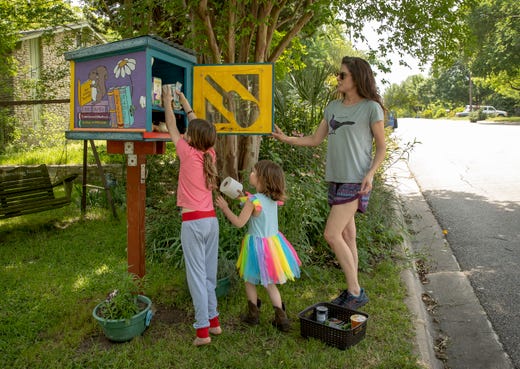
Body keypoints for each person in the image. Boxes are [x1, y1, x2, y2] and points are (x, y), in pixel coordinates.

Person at [272, 56, 387, 310]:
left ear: (356, 78)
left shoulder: (371, 108)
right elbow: (315, 139)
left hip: (356, 180)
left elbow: (381, 147)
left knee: (331, 234)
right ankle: (352, 288)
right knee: (348, 235)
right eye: (339, 74)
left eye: (343, 75)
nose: (338, 78)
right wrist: (285, 139)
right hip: (334, 178)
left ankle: (355, 292)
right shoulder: (333, 107)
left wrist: (370, 173)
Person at [162, 86, 221, 346]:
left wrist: (167, 101)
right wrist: (184, 101)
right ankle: (214, 321)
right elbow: (194, 125)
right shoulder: (210, 154)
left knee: (196, 276)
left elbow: (172, 125)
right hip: (211, 220)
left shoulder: (186, 153)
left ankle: (202, 332)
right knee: (209, 274)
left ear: (191, 138)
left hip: (193, 222)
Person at [215, 160, 301, 332]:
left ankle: (253, 315)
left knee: (249, 279)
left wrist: (225, 208)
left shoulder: (253, 201)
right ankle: (281, 319)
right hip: (273, 245)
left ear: (263, 179)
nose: (251, 174)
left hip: (255, 246)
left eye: (254, 172)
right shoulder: (273, 199)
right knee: (269, 283)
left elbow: (239, 222)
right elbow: (257, 207)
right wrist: (243, 197)